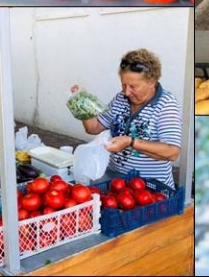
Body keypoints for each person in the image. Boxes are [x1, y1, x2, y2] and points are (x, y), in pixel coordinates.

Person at [72, 49, 182, 189]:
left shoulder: (166, 105)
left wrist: (131, 142)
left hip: (150, 188)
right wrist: (81, 103)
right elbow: (93, 128)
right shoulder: (121, 99)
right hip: (116, 182)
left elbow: (172, 152)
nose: (126, 92)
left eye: (133, 86)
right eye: (123, 84)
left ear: (152, 82)